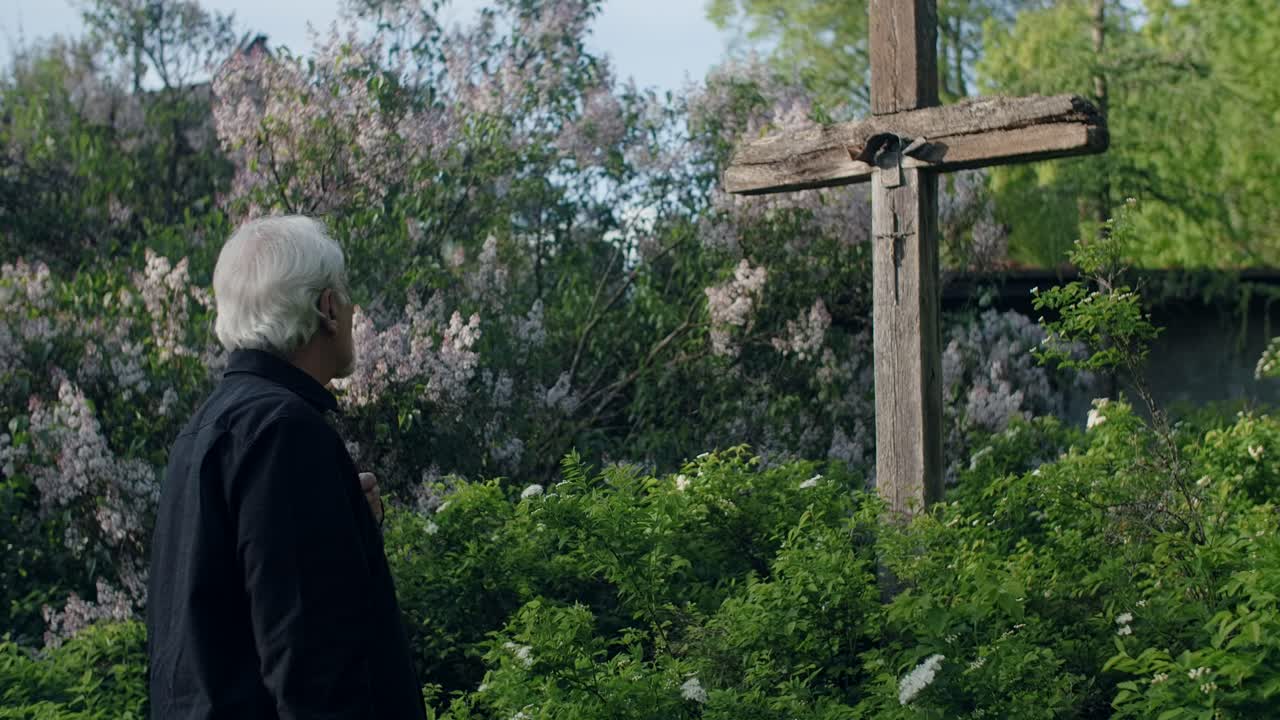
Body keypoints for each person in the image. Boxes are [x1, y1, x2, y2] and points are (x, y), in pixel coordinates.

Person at [146, 216, 426, 719]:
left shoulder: (201, 433)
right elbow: (312, 668)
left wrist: (352, 525)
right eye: (344, 293)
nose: (353, 305)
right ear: (327, 309)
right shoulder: (284, 432)